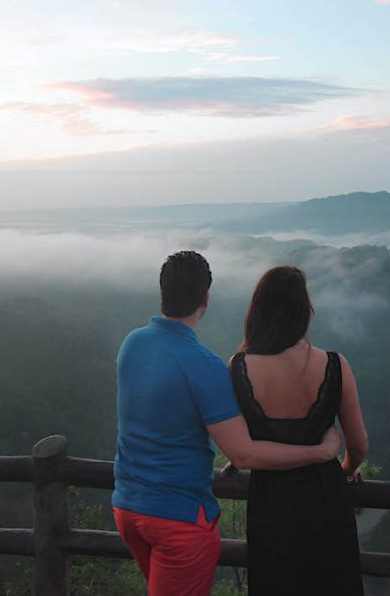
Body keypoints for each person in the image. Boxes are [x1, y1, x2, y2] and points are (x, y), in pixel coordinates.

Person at [113, 251, 342, 596]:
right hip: (179, 519)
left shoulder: (132, 344)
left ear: (162, 291)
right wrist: (319, 452)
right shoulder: (203, 365)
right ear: (206, 299)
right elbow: (244, 453)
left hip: (127, 509)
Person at [229, 265, 369, 595]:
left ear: (258, 310)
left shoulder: (238, 367)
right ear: (303, 311)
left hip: (270, 501)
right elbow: (358, 444)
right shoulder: (335, 364)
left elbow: (240, 445)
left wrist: (239, 459)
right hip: (325, 495)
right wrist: (345, 469)